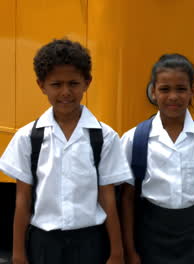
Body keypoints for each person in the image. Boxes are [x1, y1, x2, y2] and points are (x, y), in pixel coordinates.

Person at [0, 38, 131, 264]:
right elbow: (22, 199)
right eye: (56, 84)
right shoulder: (27, 138)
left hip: (90, 242)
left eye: (73, 83)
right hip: (43, 244)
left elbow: (107, 196)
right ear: (41, 85)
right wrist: (18, 253)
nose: (65, 92)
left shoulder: (104, 137)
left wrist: (116, 251)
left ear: (87, 82)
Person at [120, 53, 194, 264]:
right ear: (153, 92)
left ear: (191, 92)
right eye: (165, 89)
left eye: (181, 89)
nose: (173, 96)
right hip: (150, 235)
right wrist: (130, 249)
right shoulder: (133, 139)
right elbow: (127, 199)